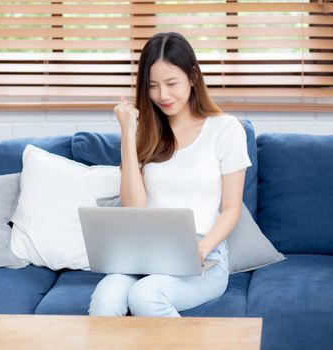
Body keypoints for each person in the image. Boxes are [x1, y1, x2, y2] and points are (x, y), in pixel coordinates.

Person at [88, 32, 252, 317]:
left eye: (171, 83)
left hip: (204, 251)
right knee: (106, 297)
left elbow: (231, 208)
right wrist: (128, 133)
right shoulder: (147, 133)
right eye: (153, 86)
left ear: (193, 77)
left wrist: (200, 248)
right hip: (144, 252)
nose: (162, 95)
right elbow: (134, 206)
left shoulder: (226, 129)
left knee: (146, 295)